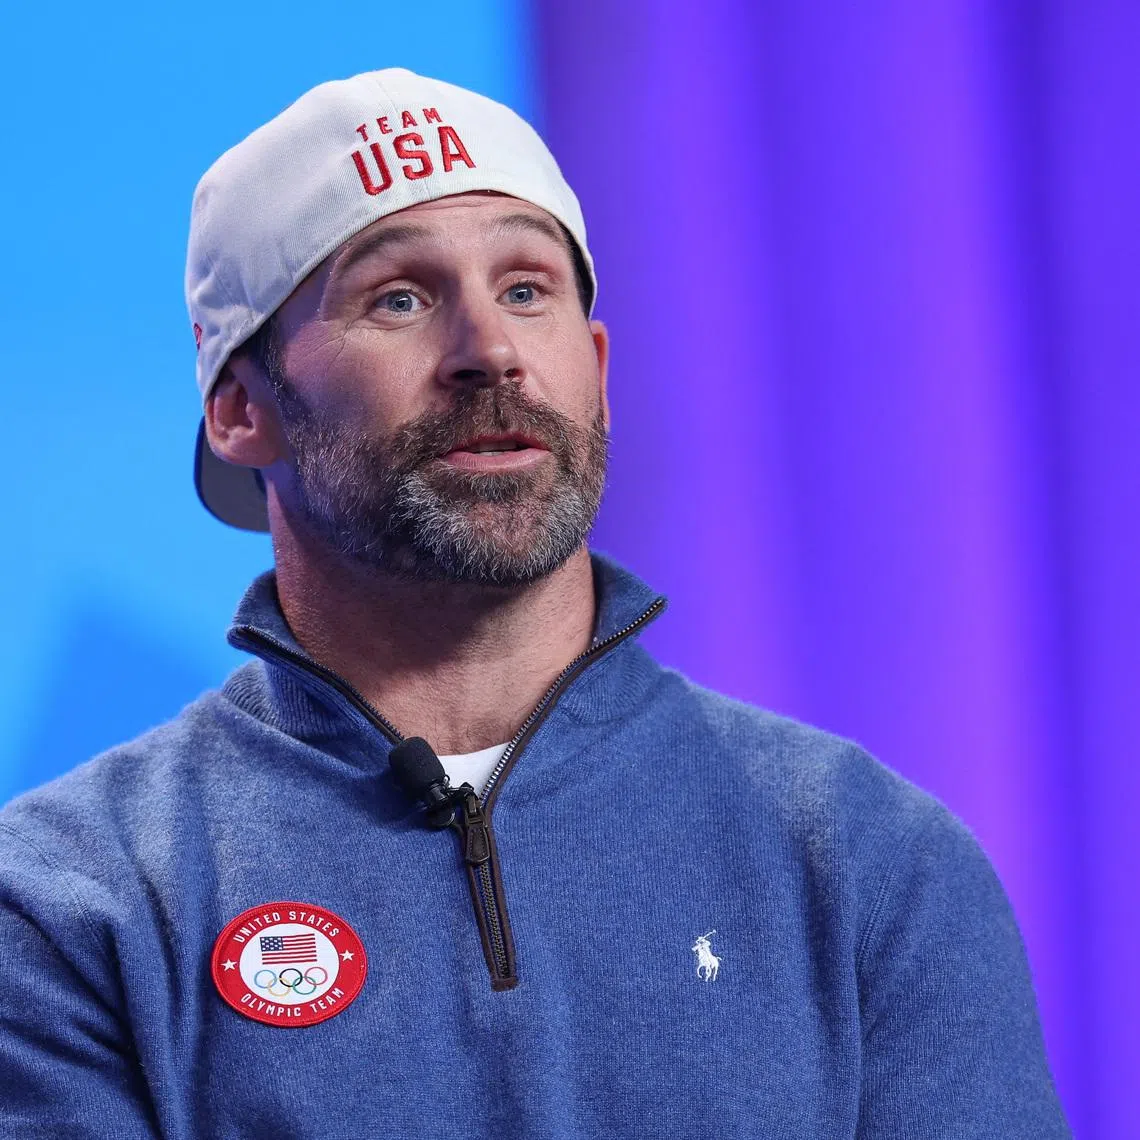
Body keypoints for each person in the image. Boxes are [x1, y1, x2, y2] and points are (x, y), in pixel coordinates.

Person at [0, 68, 1070, 1139]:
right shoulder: (72, 902)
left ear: (595, 367)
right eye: (400, 299)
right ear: (239, 410)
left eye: (525, 288)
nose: (490, 353)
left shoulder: (871, 863)